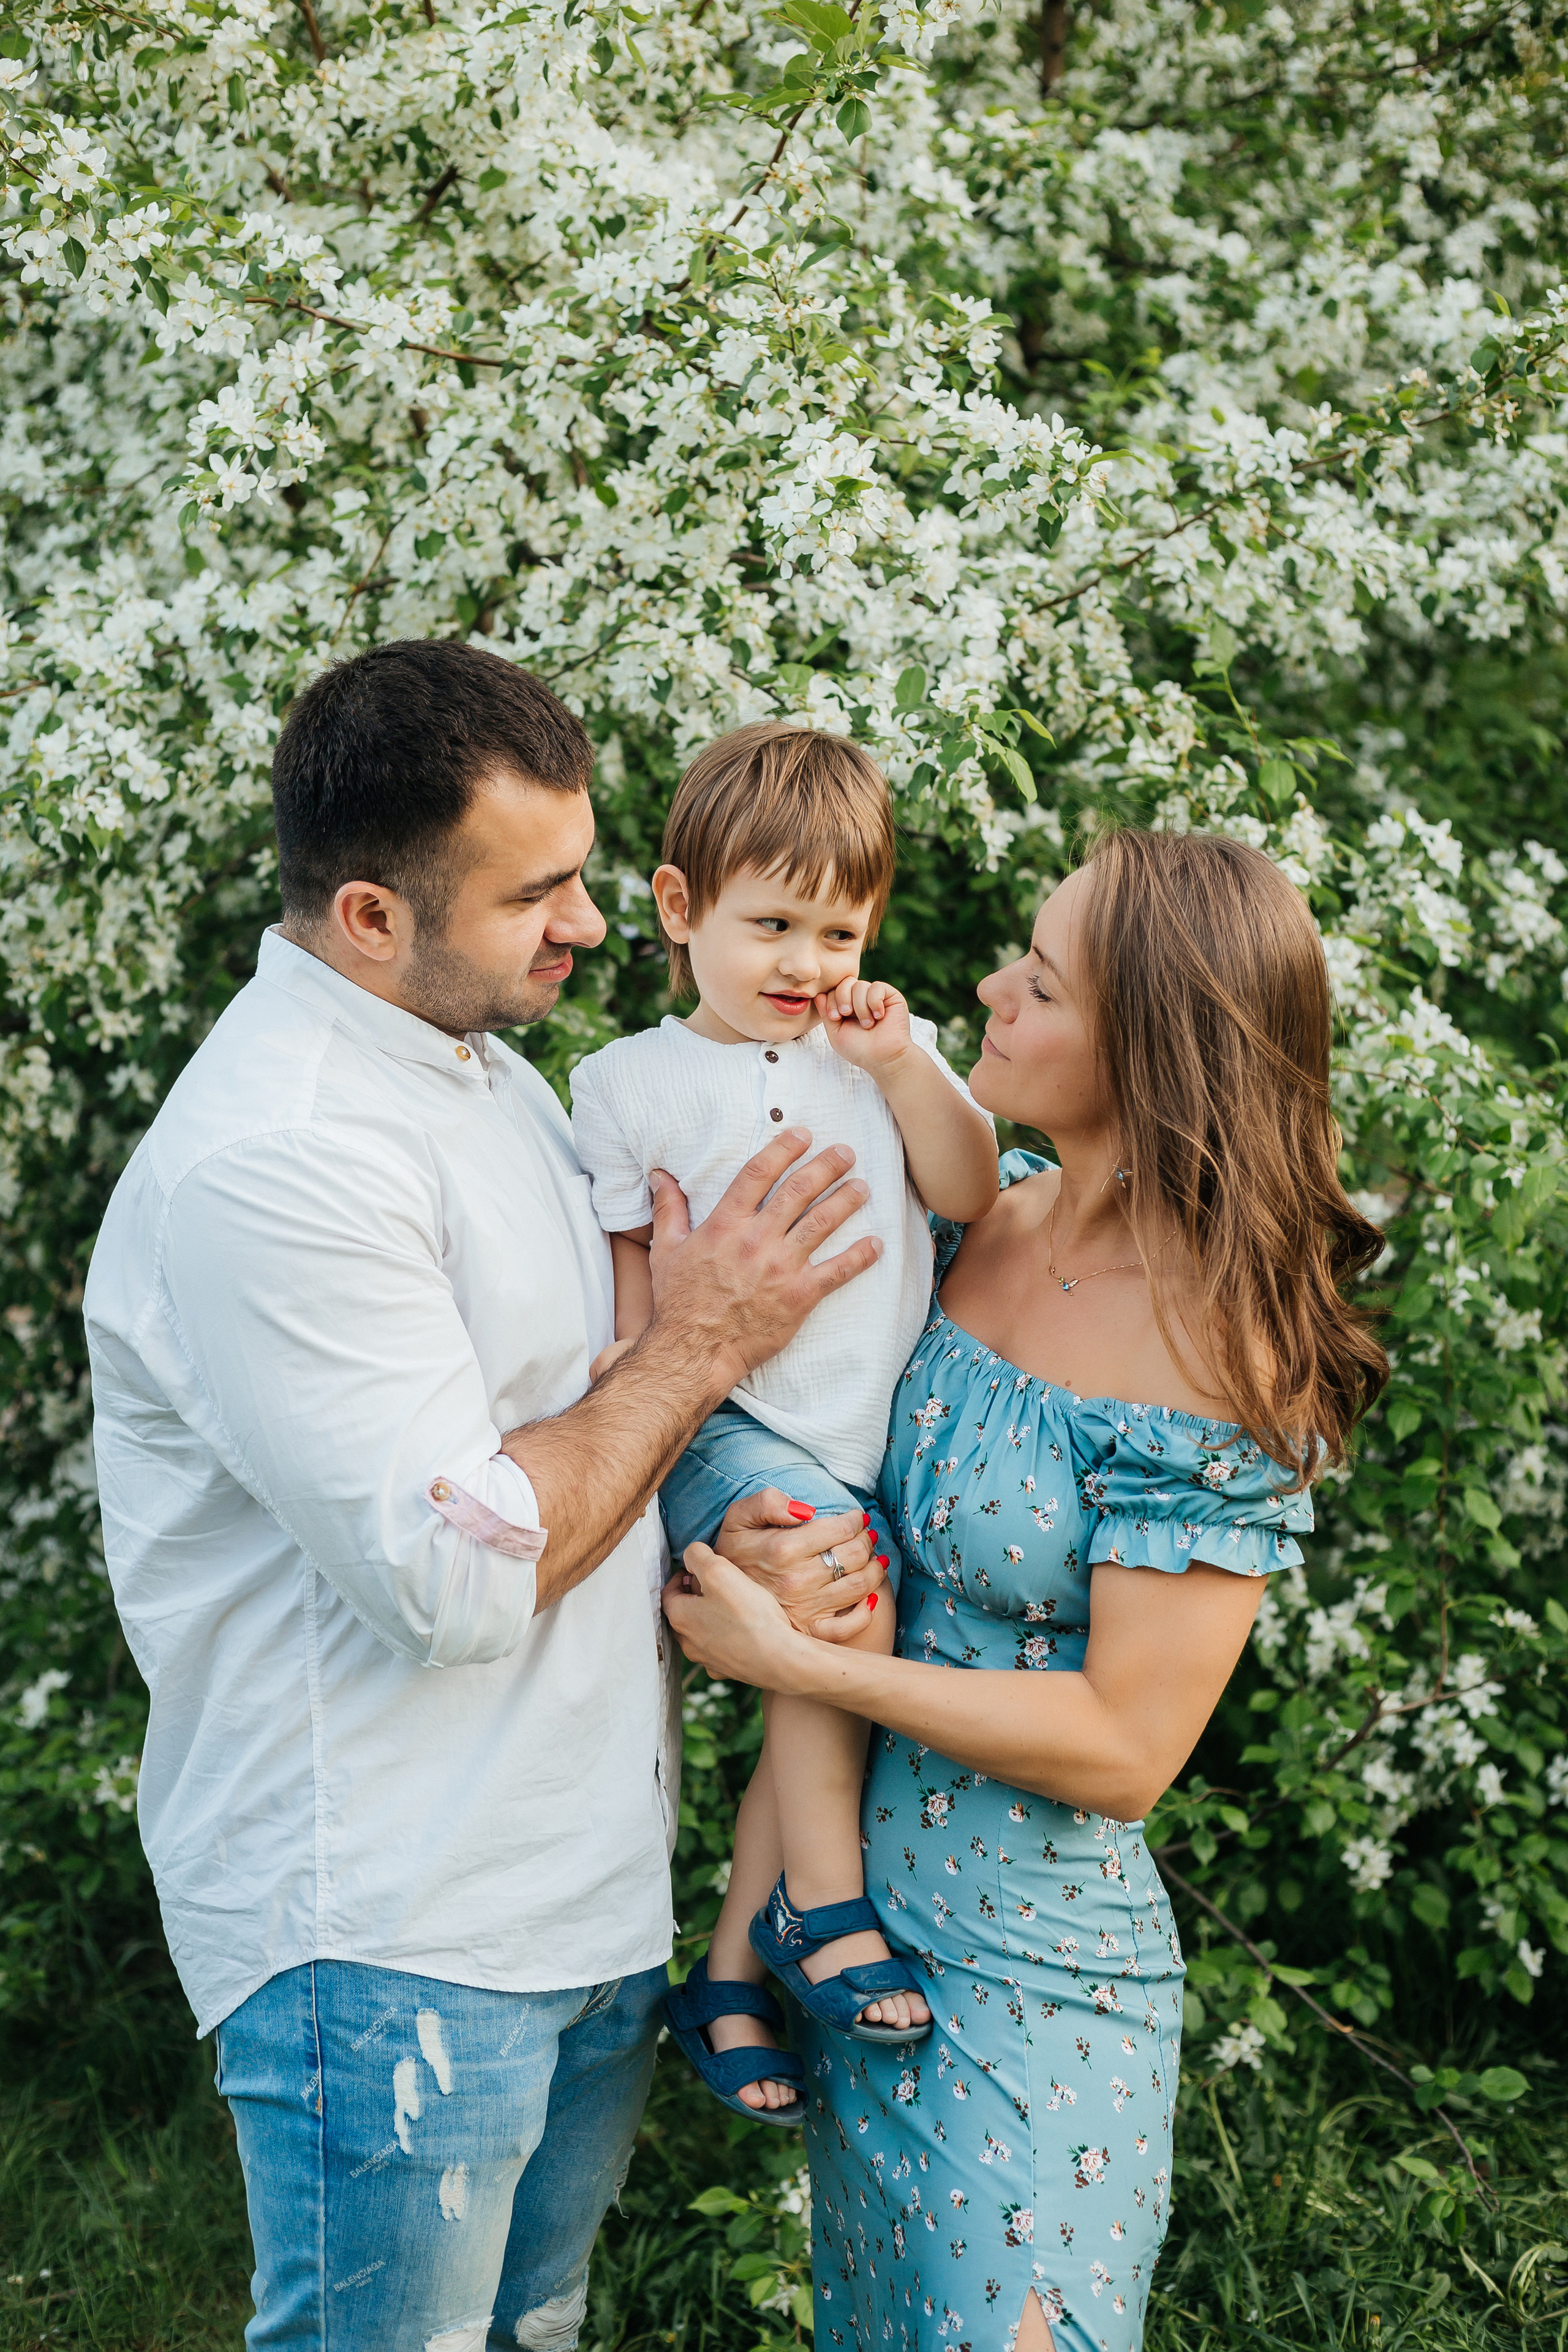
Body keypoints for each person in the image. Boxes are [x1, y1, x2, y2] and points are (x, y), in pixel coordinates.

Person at [83, 641, 886, 2352]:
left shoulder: (484, 1076)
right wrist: (708, 1340)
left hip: (569, 1890)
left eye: (581, 875)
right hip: (387, 1929)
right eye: (537, 893)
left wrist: (725, 1514)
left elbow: (583, 1432)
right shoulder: (282, 1158)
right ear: (373, 914)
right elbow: (456, 1574)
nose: (591, 925)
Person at [665, 828, 1389, 2352]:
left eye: (1040, 983)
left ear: (1152, 1051)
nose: (988, 989)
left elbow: (1126, 1750)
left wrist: (801, 1661)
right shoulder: (980, 1214)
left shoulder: (1217, 1351)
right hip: (853, 1938)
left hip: (1031, 1986)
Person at [570, 725, 998, 2121]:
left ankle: (725, 1978)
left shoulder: (869, 1060)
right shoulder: (625, 1083)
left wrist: (906, 1071)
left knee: (819, 1669)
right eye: (769, 925)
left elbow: (970, 1190)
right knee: (831, 1602)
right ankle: (820, 1906)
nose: (805, 964)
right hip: (726, 1425)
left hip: (860, 1432)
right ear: (680, 909)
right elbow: (635, 1300)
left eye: (837, 928)